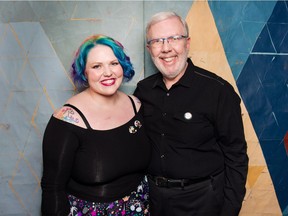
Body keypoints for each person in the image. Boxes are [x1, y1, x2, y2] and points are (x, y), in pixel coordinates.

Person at [134, 11, 248, 216]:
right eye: (158, 41)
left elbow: (236, 156)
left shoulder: (218, 91)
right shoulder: (143, 91)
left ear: (187, 43)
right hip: (153, 199)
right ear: (149, 49)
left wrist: (230, 209)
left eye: (174, 38)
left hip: (203, 200)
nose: (166, 48)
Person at [41, 34, 151, 216]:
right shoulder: (66, 120)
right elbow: (52, 188)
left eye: (114, 63)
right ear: (84, 72)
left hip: (141, 207)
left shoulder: (136, 105)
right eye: (96, 66)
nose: (108, 72)